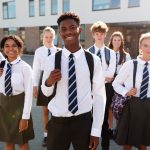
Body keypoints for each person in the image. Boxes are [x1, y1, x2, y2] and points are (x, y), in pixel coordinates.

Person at [41, 12, 106, 150]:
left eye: (72, 27)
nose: (68, 32)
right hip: (58, 123)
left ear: (79, 30)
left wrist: (95, 131)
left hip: (83, 123)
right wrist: (49, 81)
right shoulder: (51, 60)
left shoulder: (93, 60)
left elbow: (99, 96)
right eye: (63, 29)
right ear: (59, 33)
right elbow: (46, 93)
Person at [112, 32, 150, 150]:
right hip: (132, 106)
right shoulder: (130, 65)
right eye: (145, 45)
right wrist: (127, 92)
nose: (149, 48)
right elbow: (115, 83)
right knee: (127, 144)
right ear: (140, 47)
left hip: (148, 107)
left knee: (143, 144)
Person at [0, 35, 34, 150]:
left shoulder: (25, 68)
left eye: (14, 45)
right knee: (8, 142)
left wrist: (25, 117)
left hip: (20, 107)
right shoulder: (1, 66)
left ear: (19, 48)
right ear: (3, 49)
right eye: (7, 46)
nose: (10, 48)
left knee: (21, 142)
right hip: (3, 107)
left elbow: (29, 95)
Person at [88, 21, 116, 150]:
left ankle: (105, 147)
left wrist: (98, 76)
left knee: (104, 120)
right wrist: (103, 76)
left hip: (106, 89)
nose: (99, 36)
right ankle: (89, 145)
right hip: (90, 89)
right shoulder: (87, 52)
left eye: (102, 34)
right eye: (97, 34)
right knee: (89, 118)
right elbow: (87, 74)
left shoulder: (111, 53)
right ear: (93, 35)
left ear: (105, 35)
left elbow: (111, 74)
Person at [32, 26, 58, 147]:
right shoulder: (39, 51)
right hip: (43, 80)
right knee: (45, 110)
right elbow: (36, 70)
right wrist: (34, 86)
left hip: (56, 80)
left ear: (54, 37)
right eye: (46, 37)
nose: (48, 39)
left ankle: (56, 135)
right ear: (43, 37)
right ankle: (46, 135)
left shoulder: (58, 51)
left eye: (51, 37)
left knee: (56, 111)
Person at [107, 31, 131, 137]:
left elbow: (129, 72)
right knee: (109, 107)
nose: (116, 42)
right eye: (114, 40)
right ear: (111, 41)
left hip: (120, 85)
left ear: (122, 42)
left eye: (119, 40)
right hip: (108, 83)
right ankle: (110, 128)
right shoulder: (107, 53)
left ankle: (118, 129)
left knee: (119, 106)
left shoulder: (126, 56)